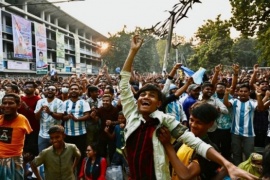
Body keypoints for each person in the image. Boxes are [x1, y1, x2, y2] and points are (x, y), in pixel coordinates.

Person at [119, 35, 257, 180]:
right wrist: (132, 52)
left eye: (152, 95)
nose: (146, 97)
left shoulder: (165, 121)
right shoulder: (131, 114)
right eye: (143, 94)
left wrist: (227, 165)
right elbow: (123, 82)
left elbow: (197, 143)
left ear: (159, 104)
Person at [158, 103, 221, 180]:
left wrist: (167, 144)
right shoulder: (184, 141)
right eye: (191, 120)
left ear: (210, 124)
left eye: (199, 122)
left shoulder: (209, 150)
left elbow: (186, 175)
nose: (193, 125)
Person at [224, 84, 264, 165]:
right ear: (238, 92)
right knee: (236, 153)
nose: (243, 93)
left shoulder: (253, 102)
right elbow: (226, 104)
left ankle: (248, 171)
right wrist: (226, 94)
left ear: (249, 93)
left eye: (245, 91)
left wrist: (259, 96)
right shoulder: (234, 101)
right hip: (235, 132)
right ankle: (238, 171)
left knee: (249, 154)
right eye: (241, 91)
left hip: (249, 134)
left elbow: (261, 108)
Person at [0, 93, 32, 179]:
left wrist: (26, 153)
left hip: (15, 160)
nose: (6, 106)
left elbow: (29, 137)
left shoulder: (23, 119)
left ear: (18, 105)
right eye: (4, 103)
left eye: (10, 103)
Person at [34, 85, 64, 152]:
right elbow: (36, 117)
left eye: (53, 89)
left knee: (56, 154)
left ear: (56, 92)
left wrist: (50, 112)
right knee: (42, 154)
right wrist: (40, 110)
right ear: (45, 91)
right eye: (48, 89)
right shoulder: (40, 102)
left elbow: (60, 117)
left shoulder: (60, 102)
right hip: (42, 134)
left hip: (56, 134)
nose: (50, 91)